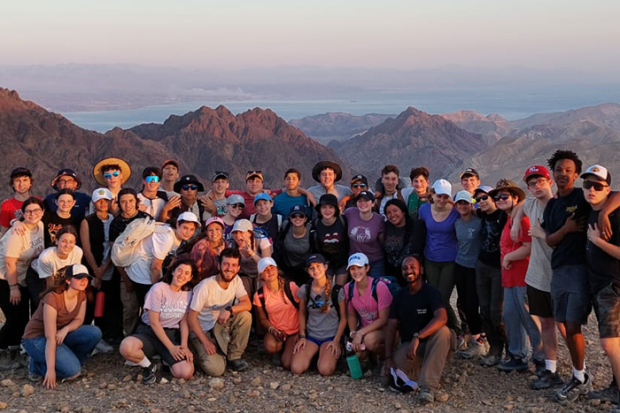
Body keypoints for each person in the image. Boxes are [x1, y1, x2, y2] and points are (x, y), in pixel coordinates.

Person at [542, 150, 619, 403]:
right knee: (564, 323)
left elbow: (615, 193)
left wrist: (606, 213)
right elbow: (550, 240)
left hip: (583, 272)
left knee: (579, 326)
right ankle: (583, 374)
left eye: (568, 170)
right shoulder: (553, 205)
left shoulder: (584, 197)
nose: (562, 174)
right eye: (558, 169)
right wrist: (565, 229)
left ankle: (579, 377)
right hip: (561, 270)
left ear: (575, 174)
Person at [511, 166, 563, 389]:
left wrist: (544, 235)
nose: (537, 186)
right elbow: (521, 206)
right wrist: (515, 222)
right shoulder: (530, 204)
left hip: (559, 275)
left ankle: (581, 370)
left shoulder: (560, 207)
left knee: (566, 326)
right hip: (536, 277)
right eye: (532, 184)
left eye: (540, 181)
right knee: (547, 324)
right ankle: (551, 370)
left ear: (549, 182)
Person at [384, 255, 456, 405]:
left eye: (412, 267)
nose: (408, 271)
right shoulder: (399, 296)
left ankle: (428, 387)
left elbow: (442, 318)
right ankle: (427, 367)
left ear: (421, 270)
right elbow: (391, 327)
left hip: (433, 342)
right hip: (411, 347)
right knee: (387, 378)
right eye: (405, 268)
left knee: (443, 332)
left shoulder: (431, 292)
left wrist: (418, 336)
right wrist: (388, 358)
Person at [490, 179, 542, 372]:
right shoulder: (509, 219)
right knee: (511, 316)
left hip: (523, 276)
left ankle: (541, 359)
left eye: (505, 196)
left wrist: (508, 257)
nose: (500, 199)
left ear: (515, 198)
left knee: (529, 318)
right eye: (497, 197)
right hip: (509, 278)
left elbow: (529, 247)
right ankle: (517, 355)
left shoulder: (523, 219)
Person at [22, 264, 102, 388]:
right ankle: (36, 366)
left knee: (94, 333)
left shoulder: (81, 295)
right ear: (68, 280)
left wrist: (66, 329)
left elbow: (79, 319)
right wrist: (50, 369)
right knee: (72, 372)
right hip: (37, 338)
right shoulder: (53, 298)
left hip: (58, 335)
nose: (83, 281)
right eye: (79, 277)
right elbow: (49, 336)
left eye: (86, 278)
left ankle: (70, 363)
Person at [119, 257, 196, 384]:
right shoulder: (158, 289)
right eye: (179, 271)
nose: (182, 275)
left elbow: (183, 321)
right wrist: (171, 348)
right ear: (172, 271)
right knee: (126, 347)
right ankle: (148, 366)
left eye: (186, 273)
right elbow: (154, 322)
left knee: (185, 373)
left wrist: (184, 346)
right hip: (149, 332)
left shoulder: (188, 293)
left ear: (190, 277)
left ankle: (164, 360)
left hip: (170, 334)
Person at [582, 165, 620, 405]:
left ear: (608, 189)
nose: (592, 190)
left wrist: (597, 242)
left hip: (612, 286)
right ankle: (615, 388)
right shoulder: (593, 210)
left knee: (610, 343)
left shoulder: (616, 215)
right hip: (598, 286)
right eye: (588, 185)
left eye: (598, 186)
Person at [188, 248, 252, 375]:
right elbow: (191, 317)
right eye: (226, 264)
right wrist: (205, 342)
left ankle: (234, 357)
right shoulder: (206, 286)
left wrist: (230, 309)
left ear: (238, 268)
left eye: (234, 265)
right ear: (219, 265)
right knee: (216, 370)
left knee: (245, 316)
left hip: (219, 325)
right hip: (202, 330)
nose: (229, 269)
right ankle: (196, 350)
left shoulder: (236, 280)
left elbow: (247, 303)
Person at [0, 197, 45, 370]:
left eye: (36, 211)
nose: (32, 214)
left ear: (42, 212)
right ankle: (1, 351)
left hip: (23, 276)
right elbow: (10, 263)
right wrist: (14, 288)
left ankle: (14, 352)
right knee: (13, 319)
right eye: (28, 211)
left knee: (23, 318)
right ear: (23, 213)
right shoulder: (16, 234)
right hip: (5, 278)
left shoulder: (40, 226)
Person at [124, 212, 200, 309]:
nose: (188, 232)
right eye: (185, 228)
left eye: (192, 229)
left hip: (145, 268)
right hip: (141, 271)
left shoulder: (171, 232)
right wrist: (156, 290)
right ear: (177, 224)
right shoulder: (167, 238)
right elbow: (155, 267)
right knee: (150, 309)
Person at [290, 254, 346, 376]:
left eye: (318, 266)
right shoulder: (305, 289)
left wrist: (336, 340)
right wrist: (302, 336)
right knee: (296, 368)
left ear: (325, 267)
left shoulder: (336, 290)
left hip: (330, 335)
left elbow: (344, 318)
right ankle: (315, 356)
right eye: (311, 268)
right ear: (308, 271)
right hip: (312, 335)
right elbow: (302, 313)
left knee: (325, 370)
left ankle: (325, 356)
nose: (315, 270)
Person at [418, 179, 460, 333]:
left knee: (442, 298)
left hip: (450, 260)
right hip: (430, 259)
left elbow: (470, 214)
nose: (442, 200)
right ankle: (441, 329)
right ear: (432, 194)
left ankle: (456, 329)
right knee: (433, 297)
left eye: (445, 196)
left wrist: (454, 203)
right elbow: (421, 232)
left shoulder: (455, 212)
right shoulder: (424, 210)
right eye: (439, 196)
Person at [80, 187, 122, 346]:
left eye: (106, 200)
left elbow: (116, 247)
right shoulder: (87, 221)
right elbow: (86, 248)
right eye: (99, 200)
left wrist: (105, 267)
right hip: (92, 267)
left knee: (111, 301)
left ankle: (110, 334)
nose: (103, 203)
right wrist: (96, 271)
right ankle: (91, 336)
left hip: (111, 266)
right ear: (94, 202)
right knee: (92, 301)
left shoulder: (115, 220)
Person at [475, 184, 508, 367]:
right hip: (482, 265)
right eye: (478, 199)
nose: (481, 202)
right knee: (485, 309)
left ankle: (512, 350)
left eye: (484, 198)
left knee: (498, 312)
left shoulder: (504, 216)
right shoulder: (480, 216)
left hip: (499, 268)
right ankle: (495, 349)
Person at [109, 188, 150, 336]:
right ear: (119, 204)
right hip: (125, 271)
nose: (127, 205)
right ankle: (129, 337)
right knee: (130, 308)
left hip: (145, 270)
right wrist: (125, 278)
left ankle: (146, 339)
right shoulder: (116, 224)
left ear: (136, 202)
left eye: (131, 201)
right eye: (123, 202)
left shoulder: (145, 219)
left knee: (147, 307)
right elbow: (115, 254)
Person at [452, 190, 485, 360]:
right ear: (456, 205)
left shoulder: (479, 222)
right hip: (460, 265)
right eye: (460, 203)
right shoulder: (456, 223)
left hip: (475, 267)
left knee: (473, 305)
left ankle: (479, 342)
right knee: (464, 303)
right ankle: (473, 338)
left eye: (466, 203)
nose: (463, 206)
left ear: (471, 204)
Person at [344, 253, 392, 362]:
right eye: (352, 269)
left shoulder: (379, 287)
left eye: (359, 267)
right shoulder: (348, 288)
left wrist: (360, 333)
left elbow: (384, 319)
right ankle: (372, 356)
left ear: (367, 268)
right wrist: (353, 333)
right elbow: (351, 314)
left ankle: (388, 357)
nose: (356, 272)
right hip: (365, 330)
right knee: (357, 355)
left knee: (369, 341)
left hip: (385, 329)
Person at [253, 258, 300, 369]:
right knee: (271, 346)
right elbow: (263, 319)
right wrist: (272, 330)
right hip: (277, 330)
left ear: (277, 269)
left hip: (294, 330)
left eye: (272, 268)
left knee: (288, 364)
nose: (269, 271)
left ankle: (287, 350)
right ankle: (278, 351)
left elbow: (303, 310)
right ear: (261, 276)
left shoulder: (290, 287)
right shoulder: (259, 295)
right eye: (265, 270)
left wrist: (302, 333)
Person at [30, 226, 83, 310]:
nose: (67, 245)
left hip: (60, 277)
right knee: (44, 303)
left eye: (71, 242)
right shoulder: (46, 258)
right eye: (64, 241)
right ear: (57, 241)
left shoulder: (78, 252)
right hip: (38, 276)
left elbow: (73, 276)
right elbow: (50, 286)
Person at [343, 191, 385, 277]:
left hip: (374, 261)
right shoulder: (349, 213)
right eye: (360, 201)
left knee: (375, 286)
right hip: (356, 261)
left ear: (373, 203)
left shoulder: (379, 219)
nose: (362, 203)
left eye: (366, 201)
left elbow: (383, 241)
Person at [310, 194, 349, 285]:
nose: (327, 210)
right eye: (324, 207)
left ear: (335, 209)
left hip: (342, 262)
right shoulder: (315, 224)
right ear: (320, 209)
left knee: (338, 291)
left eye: (331, 207)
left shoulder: (343, 221)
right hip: (325, 263)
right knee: (326, 290)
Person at [229, 219, 272, 298]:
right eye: (235, 233)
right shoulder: (232, 246)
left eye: (241, 232)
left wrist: (251, 253)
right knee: (244, 295)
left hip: (261, 272)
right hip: (244, 274)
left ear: (249, 233)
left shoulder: (262, 240)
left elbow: (267, 265)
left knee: (261, 295)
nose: (237, 235)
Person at [273, 205, 312, 285]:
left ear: (305, 219)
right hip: (287, 267)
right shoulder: (285, 226)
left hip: (305, 269)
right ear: (290, 218)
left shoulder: (311, 231)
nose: (297, 218)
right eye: (294, 216)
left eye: (301, 216)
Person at [384, 199, 419, 284]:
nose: (392, 215)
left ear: (403, 212)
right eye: (388, 212)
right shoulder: (386, 226)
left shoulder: (417, 226)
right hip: (391, 274)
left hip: (411, 274)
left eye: (395, 210)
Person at [0, 167, 35, 237]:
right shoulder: (6, 205)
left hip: (37, 243)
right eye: (17, 180)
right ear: (12, 184)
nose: (21, 184)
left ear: (30, 183)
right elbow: (4, 232)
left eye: (25, 180)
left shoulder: (38, 201)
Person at [190, 217, 226, 282]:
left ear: (223, 230)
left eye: (217, 229)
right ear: (206, 232)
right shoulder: (200, 246)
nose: (214, 232)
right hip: (203, 282)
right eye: (210, 230)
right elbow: (194, 268)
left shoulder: (227, 245)